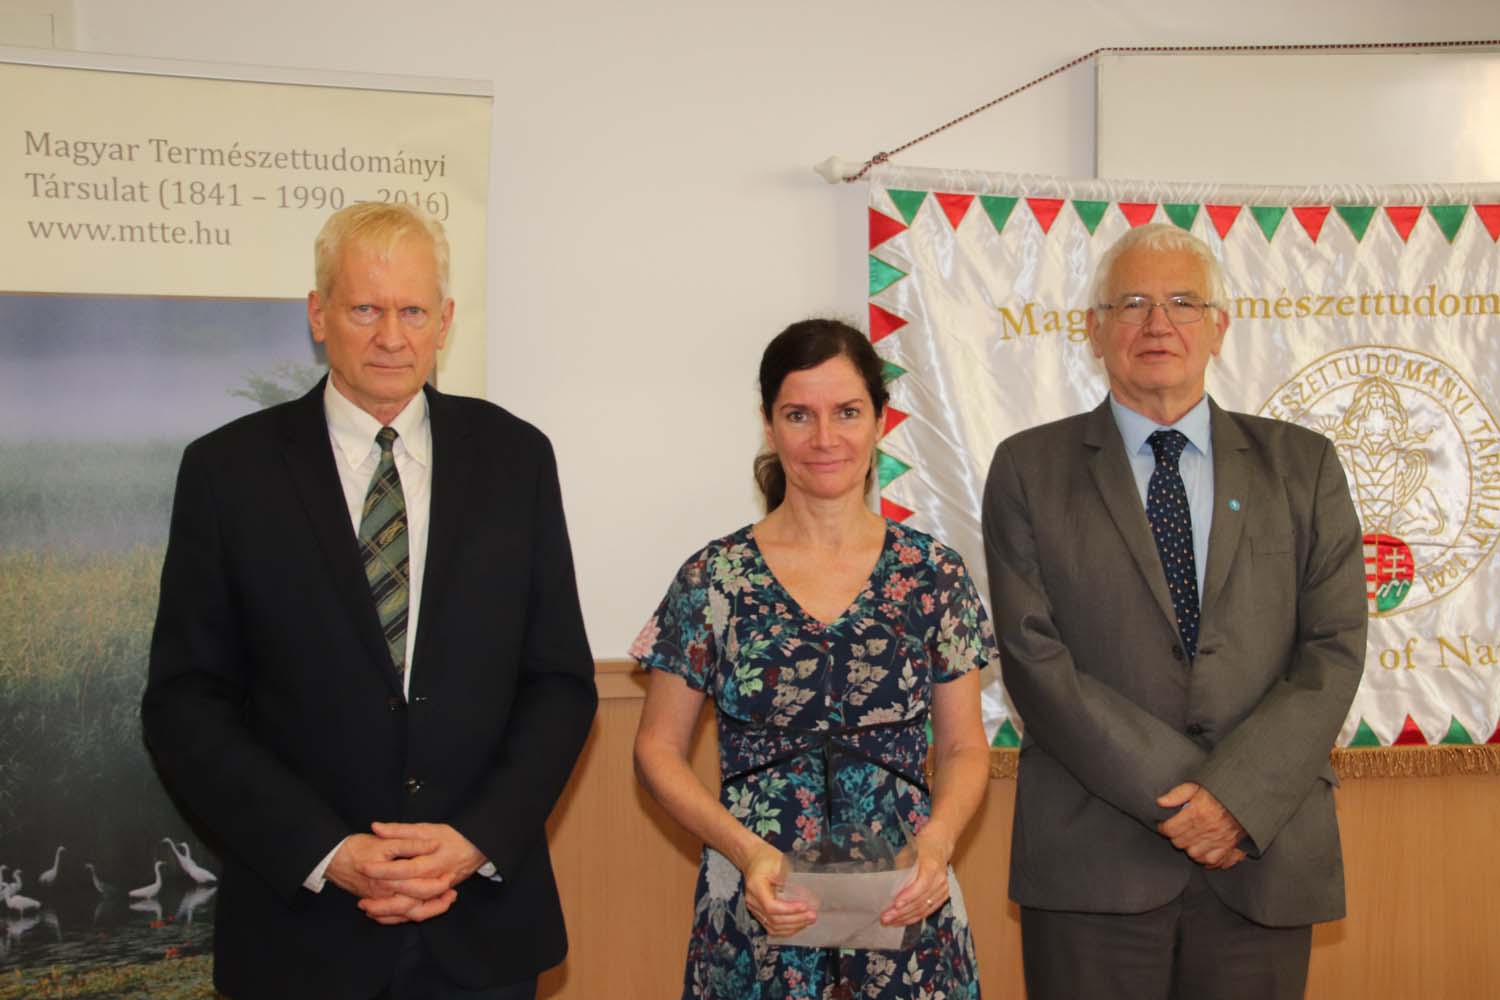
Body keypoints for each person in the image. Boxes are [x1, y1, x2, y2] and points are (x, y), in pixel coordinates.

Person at [142, 202, 597, 1000]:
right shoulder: (227, 472)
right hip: (301, 934)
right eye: (365, 309)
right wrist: (329, 852)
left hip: (480, 929)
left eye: (412, 311)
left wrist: (474, 840)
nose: (392, 336)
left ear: (444, 321)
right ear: (318, 315)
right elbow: (186, 704)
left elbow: (558, 682)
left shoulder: (517, 459)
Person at [983, 223, 1368, 1000]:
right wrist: (1189, 798)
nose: (1158, 324)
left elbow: (1333, 649)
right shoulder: (1028, 468)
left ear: (1219, 327)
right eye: (1131, 303)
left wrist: (1237, 799)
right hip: (1094, 863)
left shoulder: (1303, 466)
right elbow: (1032, 655)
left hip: (1260, 854)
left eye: (1183, 303)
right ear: (1094, 330)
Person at [632, 318, 994, 999]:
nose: (825, 439)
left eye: (847, 412)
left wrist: (938, 843)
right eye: (799, 415)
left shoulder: (933, 575)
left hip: (905, 907)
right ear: (769, 425)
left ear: (881, 420)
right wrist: (746, 852)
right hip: (757, 914)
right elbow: (657, 750)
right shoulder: (714, 578)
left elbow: (964, 747)